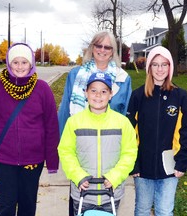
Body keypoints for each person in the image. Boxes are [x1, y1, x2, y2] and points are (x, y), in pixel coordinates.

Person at [0, 43, 60, 216]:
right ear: (8, 63)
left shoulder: (42, 89)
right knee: (6, 206)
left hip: (33, 160)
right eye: (16, 62)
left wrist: (52, 161)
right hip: (3, 160)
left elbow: (51, 127)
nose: (20, 66)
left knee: (27, 206)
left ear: (31, 64)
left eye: (24, 62)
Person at [57, 30, 132, 215]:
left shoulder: (123, 78)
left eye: (108, 46)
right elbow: (66, 109)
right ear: (92, 47)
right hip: (83, 153)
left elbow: (127, 114)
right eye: (98, 45)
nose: (102, 50)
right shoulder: (76, 75)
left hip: (111, 153)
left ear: (113, 50)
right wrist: (61, 148)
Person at [126, 46, 187, 216]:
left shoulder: (180, 96)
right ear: (149, 67)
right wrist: (134, 163)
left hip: (170, 165)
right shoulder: (138, 96)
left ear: (170, 67)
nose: (160, 69)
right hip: (143, 165)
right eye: (155, 64)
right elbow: (129, 132)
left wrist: (182, 161)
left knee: (164, 210)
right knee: (142, 210)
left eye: (164, 64)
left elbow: (185, 131)